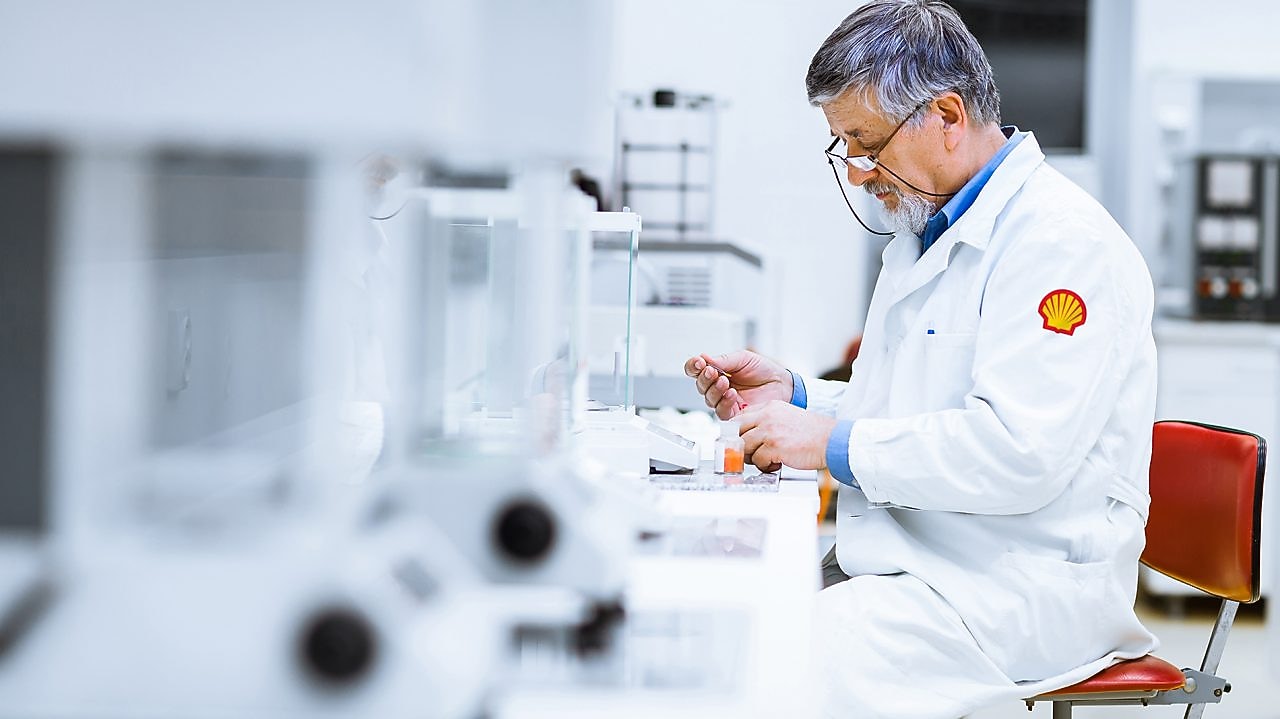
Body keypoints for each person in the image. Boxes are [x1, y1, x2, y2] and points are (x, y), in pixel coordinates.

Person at [683, 2, 1158, 717]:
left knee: (775, 668)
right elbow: (913, 410)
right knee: (731, 618)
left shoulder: (1061, 244)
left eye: (867, 143)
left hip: (1013, 585)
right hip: (921, 561)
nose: (858, 172)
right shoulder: (923, 235)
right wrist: (797, 398)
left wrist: (830, 444)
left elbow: (1017, 452)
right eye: (843, 145)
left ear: (946, 114)